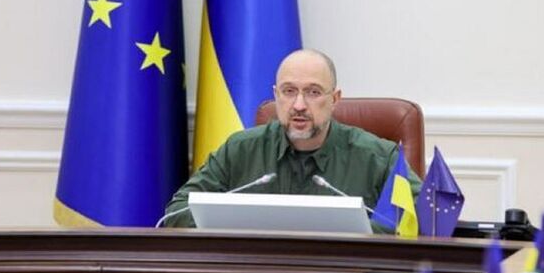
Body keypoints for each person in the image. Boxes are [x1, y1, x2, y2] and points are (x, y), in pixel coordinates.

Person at [162, 49, 422, 232]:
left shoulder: (379, 157)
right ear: (276, 95)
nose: (299, 105)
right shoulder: (240, 150)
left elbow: (426, 217)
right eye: (289, 91)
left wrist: (359, 235)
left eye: (313, 92)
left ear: (335, 99)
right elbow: (177, 212)